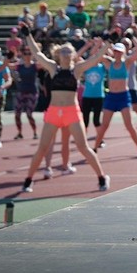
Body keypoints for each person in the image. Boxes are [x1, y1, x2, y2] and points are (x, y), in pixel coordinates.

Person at [19, 35, 111, 193]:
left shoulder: (77, 69)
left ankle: (102, 177)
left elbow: (95, 58)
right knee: (42, 148)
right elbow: (37, 53)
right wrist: (27, 35)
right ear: (58, 54)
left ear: (74, 54)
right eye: (63, 51)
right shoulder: (53, 68)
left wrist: (109, 42)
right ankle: (28, 180)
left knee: (83, 147)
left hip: (71, 112)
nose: (66, 53)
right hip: (54, 112)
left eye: (69, 51)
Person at [10, 45, 41, 140]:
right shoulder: (19, 66)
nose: (27, 55)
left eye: (29, 53)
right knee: (17, 114)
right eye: (25, 53)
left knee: (29, 113)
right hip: (21, 91)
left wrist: (37, 53)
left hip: (32, 92)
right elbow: (7, 65)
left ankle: (35, 132)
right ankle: (19, 132)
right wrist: (11, 56)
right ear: (22, 55)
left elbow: (44, 63)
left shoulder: (35, 66)